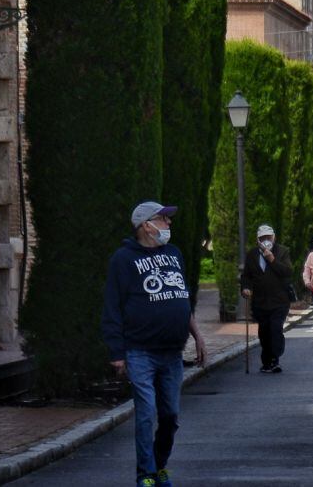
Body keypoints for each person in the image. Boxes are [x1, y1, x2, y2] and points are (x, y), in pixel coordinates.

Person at [103, 201, 206, 487]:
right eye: (162, 219)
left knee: (171, 416)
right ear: (146, 225)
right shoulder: (123, 259)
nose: (168, 224)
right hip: (140, 352)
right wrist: (117, 353)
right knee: (146, 414)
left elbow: (182, 298)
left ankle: (159, 466)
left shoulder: (174, 254)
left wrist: (197, 335)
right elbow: (112, 308)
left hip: (172, 352)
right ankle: (145, 474)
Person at [241, 224, 293, 373]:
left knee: (275, 329)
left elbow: (287, 271)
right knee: (264, 332)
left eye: (268, 237)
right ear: (258, 240)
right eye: (262, 238)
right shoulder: (252, 255)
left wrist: (272, 259)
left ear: (274, 237)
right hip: (260, 302)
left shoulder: (282, 252)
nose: (266, 240)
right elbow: (246, 276)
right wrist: (245, 288)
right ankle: (267, 361)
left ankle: (275, 359)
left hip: (279, 301)